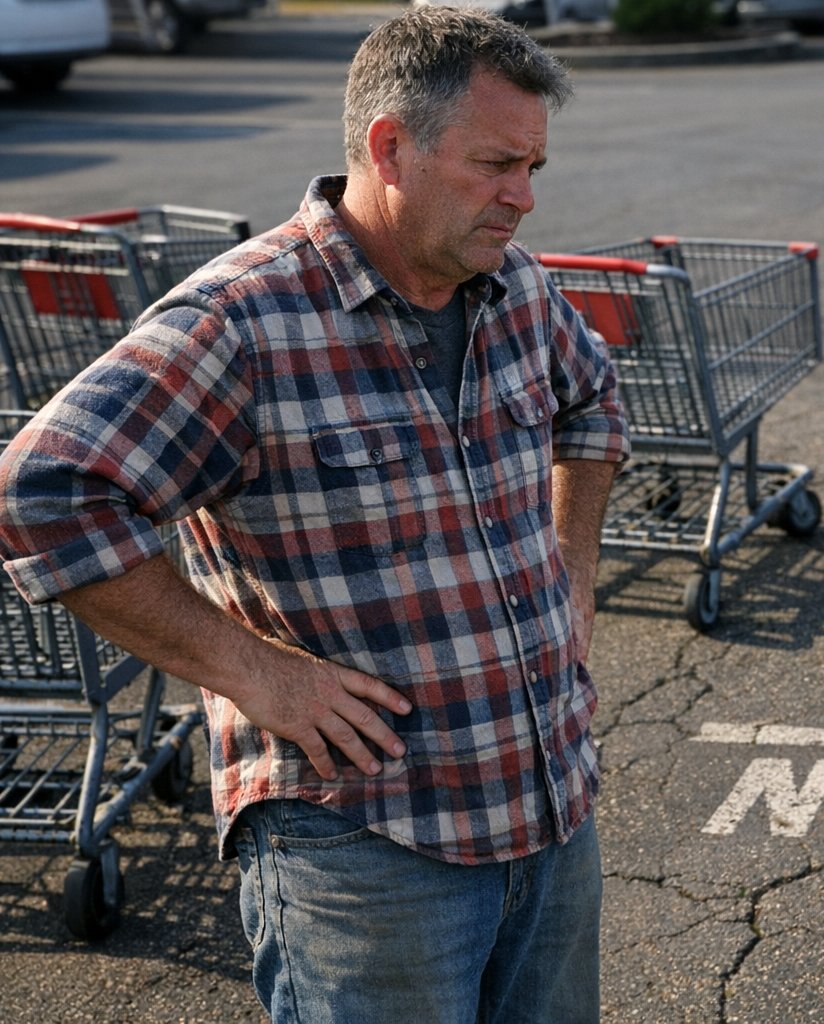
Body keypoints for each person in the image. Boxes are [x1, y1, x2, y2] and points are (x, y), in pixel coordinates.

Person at [0, 7, 628, 1022]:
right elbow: (41, 495)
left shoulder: (509, 284)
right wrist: (254, 673)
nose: (522, 198)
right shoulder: (243, 321)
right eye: (496, 164)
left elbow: (593, 401)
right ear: (390, 147)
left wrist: (573, 576)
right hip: (367, 848)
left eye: (534, 169)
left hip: (552, 808)